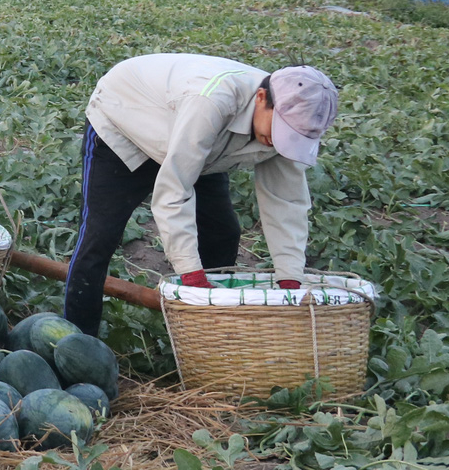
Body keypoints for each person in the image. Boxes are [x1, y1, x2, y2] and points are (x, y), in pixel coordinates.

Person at [63, 54, 340, 335]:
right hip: (126, 118)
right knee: (101, 236)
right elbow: (174, 189)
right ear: (260, 98)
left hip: (201, 144)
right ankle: (78, 338)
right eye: (280, 131)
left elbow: (287, 202)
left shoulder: (289, 121)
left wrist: (290, 280)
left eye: (294, 138)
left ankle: (201, 333)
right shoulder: (212, 101)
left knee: (222, 233)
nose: (281, 141)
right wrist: (192, 276)